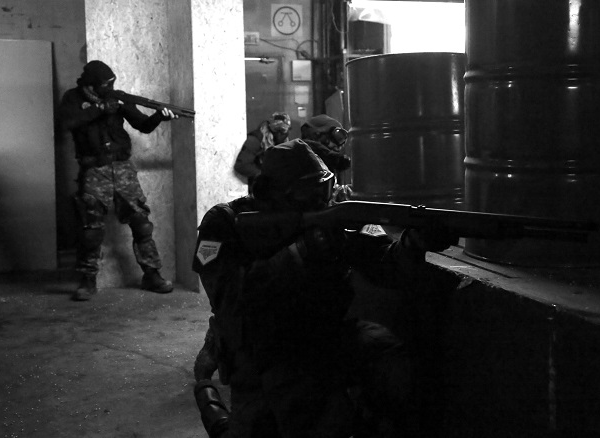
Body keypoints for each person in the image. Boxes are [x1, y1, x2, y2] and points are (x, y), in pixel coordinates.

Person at [191, 139, 458, 437]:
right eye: (310, 191)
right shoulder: (226, 223)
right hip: (263, 349)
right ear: (273, 192)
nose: (322, 199)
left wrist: (413, 244)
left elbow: (386, 265)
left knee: (397, 370)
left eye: (326, 187)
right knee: (280, 418)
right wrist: (302, 251)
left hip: (325, 336)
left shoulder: (333, 218)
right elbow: (231, 296)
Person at [58, 60, 176, 301]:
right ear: (90, 85)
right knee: (91, 228)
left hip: (122, 167)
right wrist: (101, 108)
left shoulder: (117, 97)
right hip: (94, 169)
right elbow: (68, 123)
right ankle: (87, 279)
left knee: (141, 223)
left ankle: (151, 274)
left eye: (112, 83)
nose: (110, 88)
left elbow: (142, 125)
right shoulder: (73, 98)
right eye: (105, 84)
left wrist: (159, 116)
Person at [233, 112, 291, 190]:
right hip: (260, 188)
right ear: (276, 131)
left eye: (285, 132)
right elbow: (241, 165)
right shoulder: (255, 140)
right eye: (280, 131)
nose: (283, 135)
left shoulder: (282, 141)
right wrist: (264, 175)